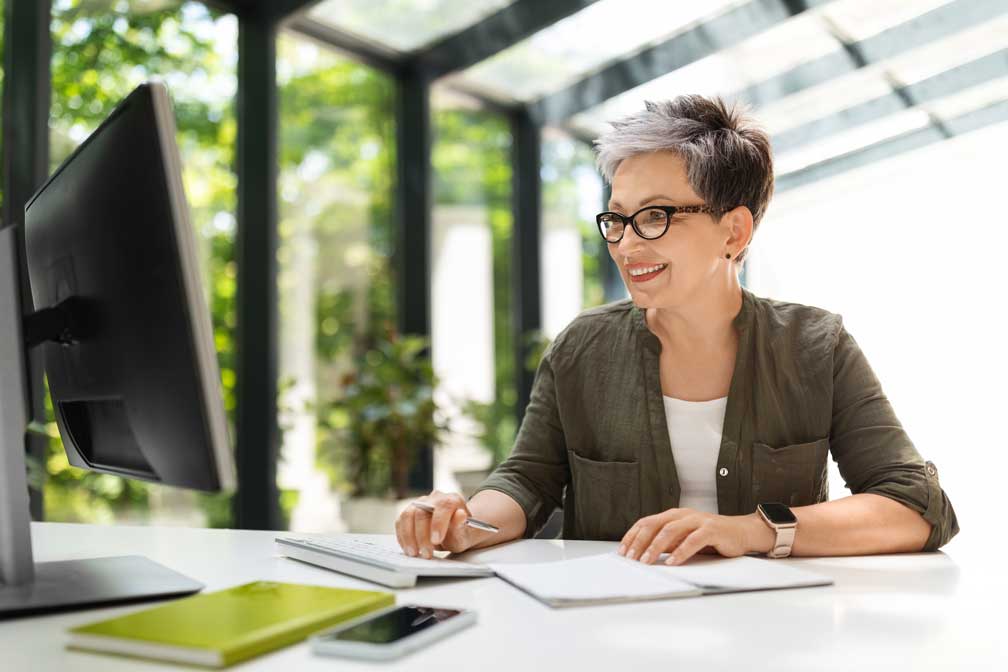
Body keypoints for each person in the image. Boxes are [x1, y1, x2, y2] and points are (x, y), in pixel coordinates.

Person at [394, 95, 958, 566]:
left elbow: (915, 505)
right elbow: (526, 481)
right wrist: (464, 522)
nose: (626, 244)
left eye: (655, 216)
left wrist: (748, 530)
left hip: (773, 632)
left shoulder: (816, 346)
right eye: (617, 218)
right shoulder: (583, 347)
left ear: (733, 232)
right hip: (607, 626)